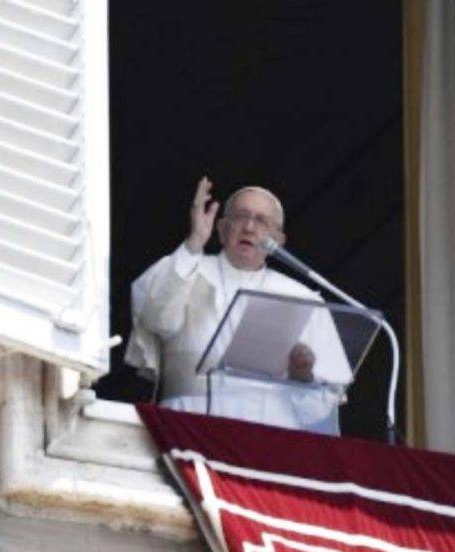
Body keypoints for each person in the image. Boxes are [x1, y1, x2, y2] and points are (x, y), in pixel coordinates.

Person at [125, 177, 350, 431]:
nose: (249, 228)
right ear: (222, 229)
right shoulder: (184, 268)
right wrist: (194, 242)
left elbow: (320, 409)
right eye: (241, 216)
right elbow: (156, 319)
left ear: (279, 240)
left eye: (262, 221)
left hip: (271, 439)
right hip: (187, 427)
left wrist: (302, 376)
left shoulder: (303, 298)